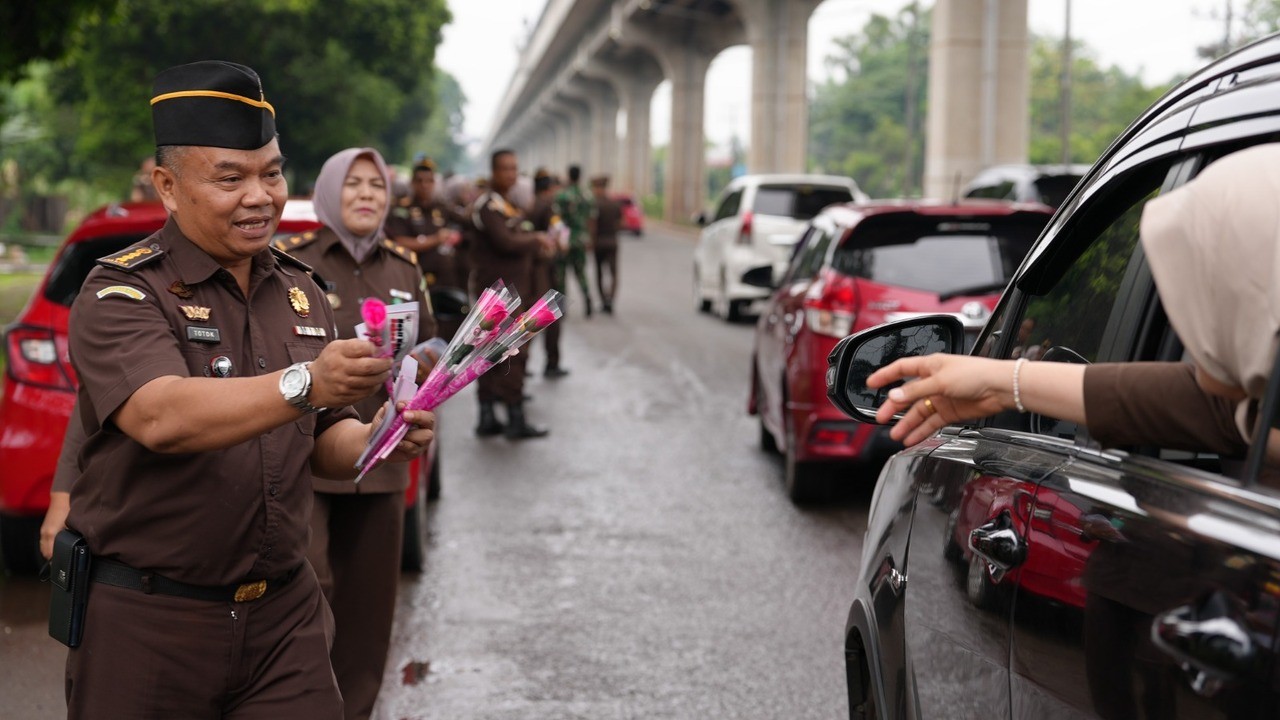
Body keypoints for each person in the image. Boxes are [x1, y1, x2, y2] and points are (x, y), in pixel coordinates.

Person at [59, 61, 434, 719]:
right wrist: (308, 381)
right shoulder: (122, 291)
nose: (259, 195)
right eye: (230, 178)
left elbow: (325, 438)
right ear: (168, 187)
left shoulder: (302, 290)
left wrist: (380, 440)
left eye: (271, 172)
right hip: (151, 623)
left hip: (283, 622)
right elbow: (161, 415)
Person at [867, 143, 1280, 471]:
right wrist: (1001, 383)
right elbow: (1211, 411)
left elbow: (1212, 411)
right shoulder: (1261, 420)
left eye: (1203, 301)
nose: (1189, 331)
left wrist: (1001, 382)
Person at [272, 147, 437, 720]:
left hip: (384, 463)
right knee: (307, 598)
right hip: (310, 463)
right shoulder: (291, 266)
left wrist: (428, 365)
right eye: (353, 184)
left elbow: (433, 349)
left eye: (376, 185)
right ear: (328, 191)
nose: (366, 194)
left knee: (369, 615)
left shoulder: (404, 269)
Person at [470, 149, 555, 439]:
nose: (511, 174)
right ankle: (509, 418)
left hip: (515, 293)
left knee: (503, 354)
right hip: (499, 296)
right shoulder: (487, 206)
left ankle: (492, 415)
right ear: (493, 171)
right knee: (507, 354)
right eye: (505, 169)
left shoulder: (508, 205)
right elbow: (505, 242)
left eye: (514, 169)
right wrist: (536, 238)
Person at [385, 159, 463, 290]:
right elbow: (399, 242)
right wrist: (435, 239)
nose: (424, 185)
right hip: (415, 277)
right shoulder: (402, 209)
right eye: (419, 181)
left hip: (444, 280)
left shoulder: (441, 207)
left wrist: (456, 236)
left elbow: (467, 223)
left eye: (429, 181)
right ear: (412, 183)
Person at [527, 168, 567, 377]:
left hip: (528, 269)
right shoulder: (549, 207)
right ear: (550, 188)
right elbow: (559, 235)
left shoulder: (528, 204)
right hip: (545, 269)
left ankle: (521, 365)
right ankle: (552, 363)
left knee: (530, 316)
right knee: (549, 316)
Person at [553, 164, 594, 317]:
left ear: (568, 175)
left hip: (566, 240)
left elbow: (558, 221)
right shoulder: (587, 195)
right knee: (580, 273)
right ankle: (587, 298)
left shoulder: (562, 195)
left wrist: (560, 240)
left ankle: (563, 310)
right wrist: (589, 238)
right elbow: (591, 219)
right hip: (581, 240)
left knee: (561, 274)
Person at [588, 174, 622, 315]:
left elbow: (592, 226)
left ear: (597, 188)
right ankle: (610, 300)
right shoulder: (614, 204)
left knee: (600, 273)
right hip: (612, 242)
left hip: (599, 243)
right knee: (614, 273)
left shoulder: (594, 204)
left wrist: (591, 241)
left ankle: (603, 301)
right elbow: (621, 223)